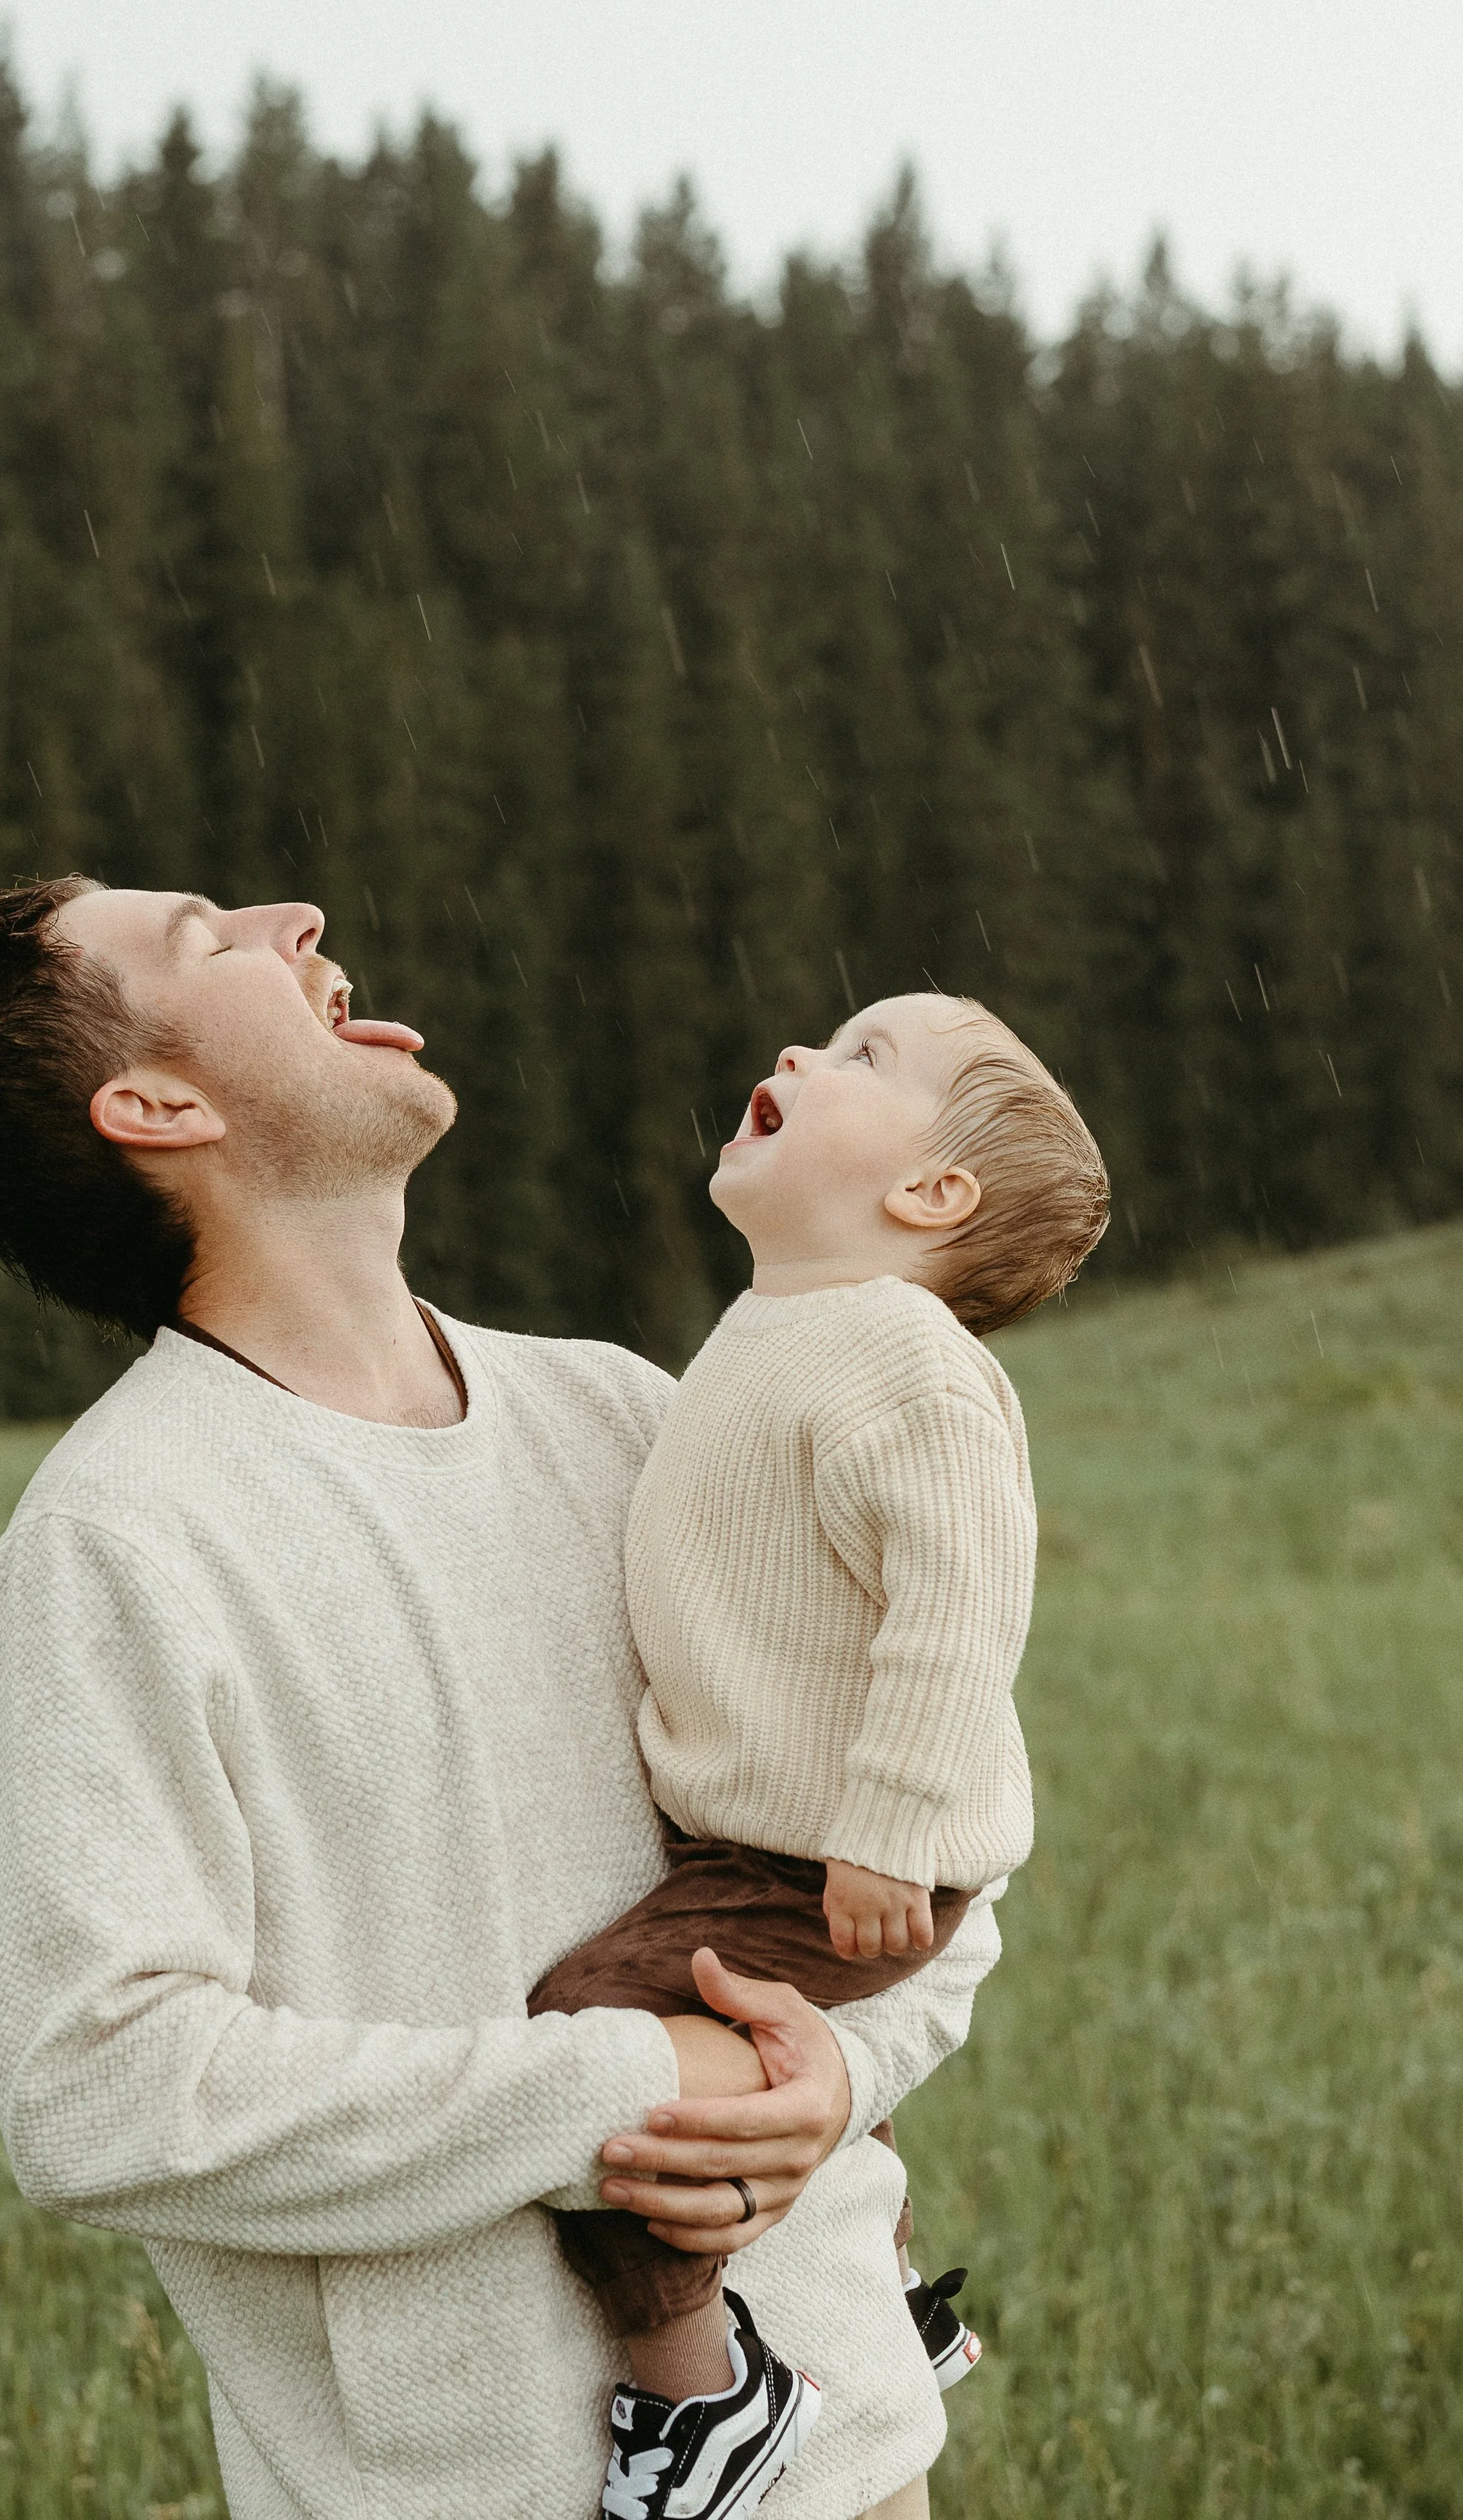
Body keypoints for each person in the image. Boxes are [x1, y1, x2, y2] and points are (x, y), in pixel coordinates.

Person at [0, 876, 1007, 2520]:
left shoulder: (633, 1420)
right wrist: (632, 2092)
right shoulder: (111, 1550)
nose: (292, 911)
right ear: (155, 1106)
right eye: (208, 938)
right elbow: (100, 2094)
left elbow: (928, 1855)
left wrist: (835, 2083)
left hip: (856, 2461)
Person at [527, 994, 1109, 2512]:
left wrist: (891, 1830)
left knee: (592, 2039)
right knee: (769, 2073)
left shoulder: (903, 1360)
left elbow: (955, 1609)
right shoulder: (775, 1327)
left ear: (926, 1196)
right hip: (761, 1830)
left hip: (834, 1851)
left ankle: (698, 2387)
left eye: (861, 1060)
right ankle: (892, 2305)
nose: (795, 1054)